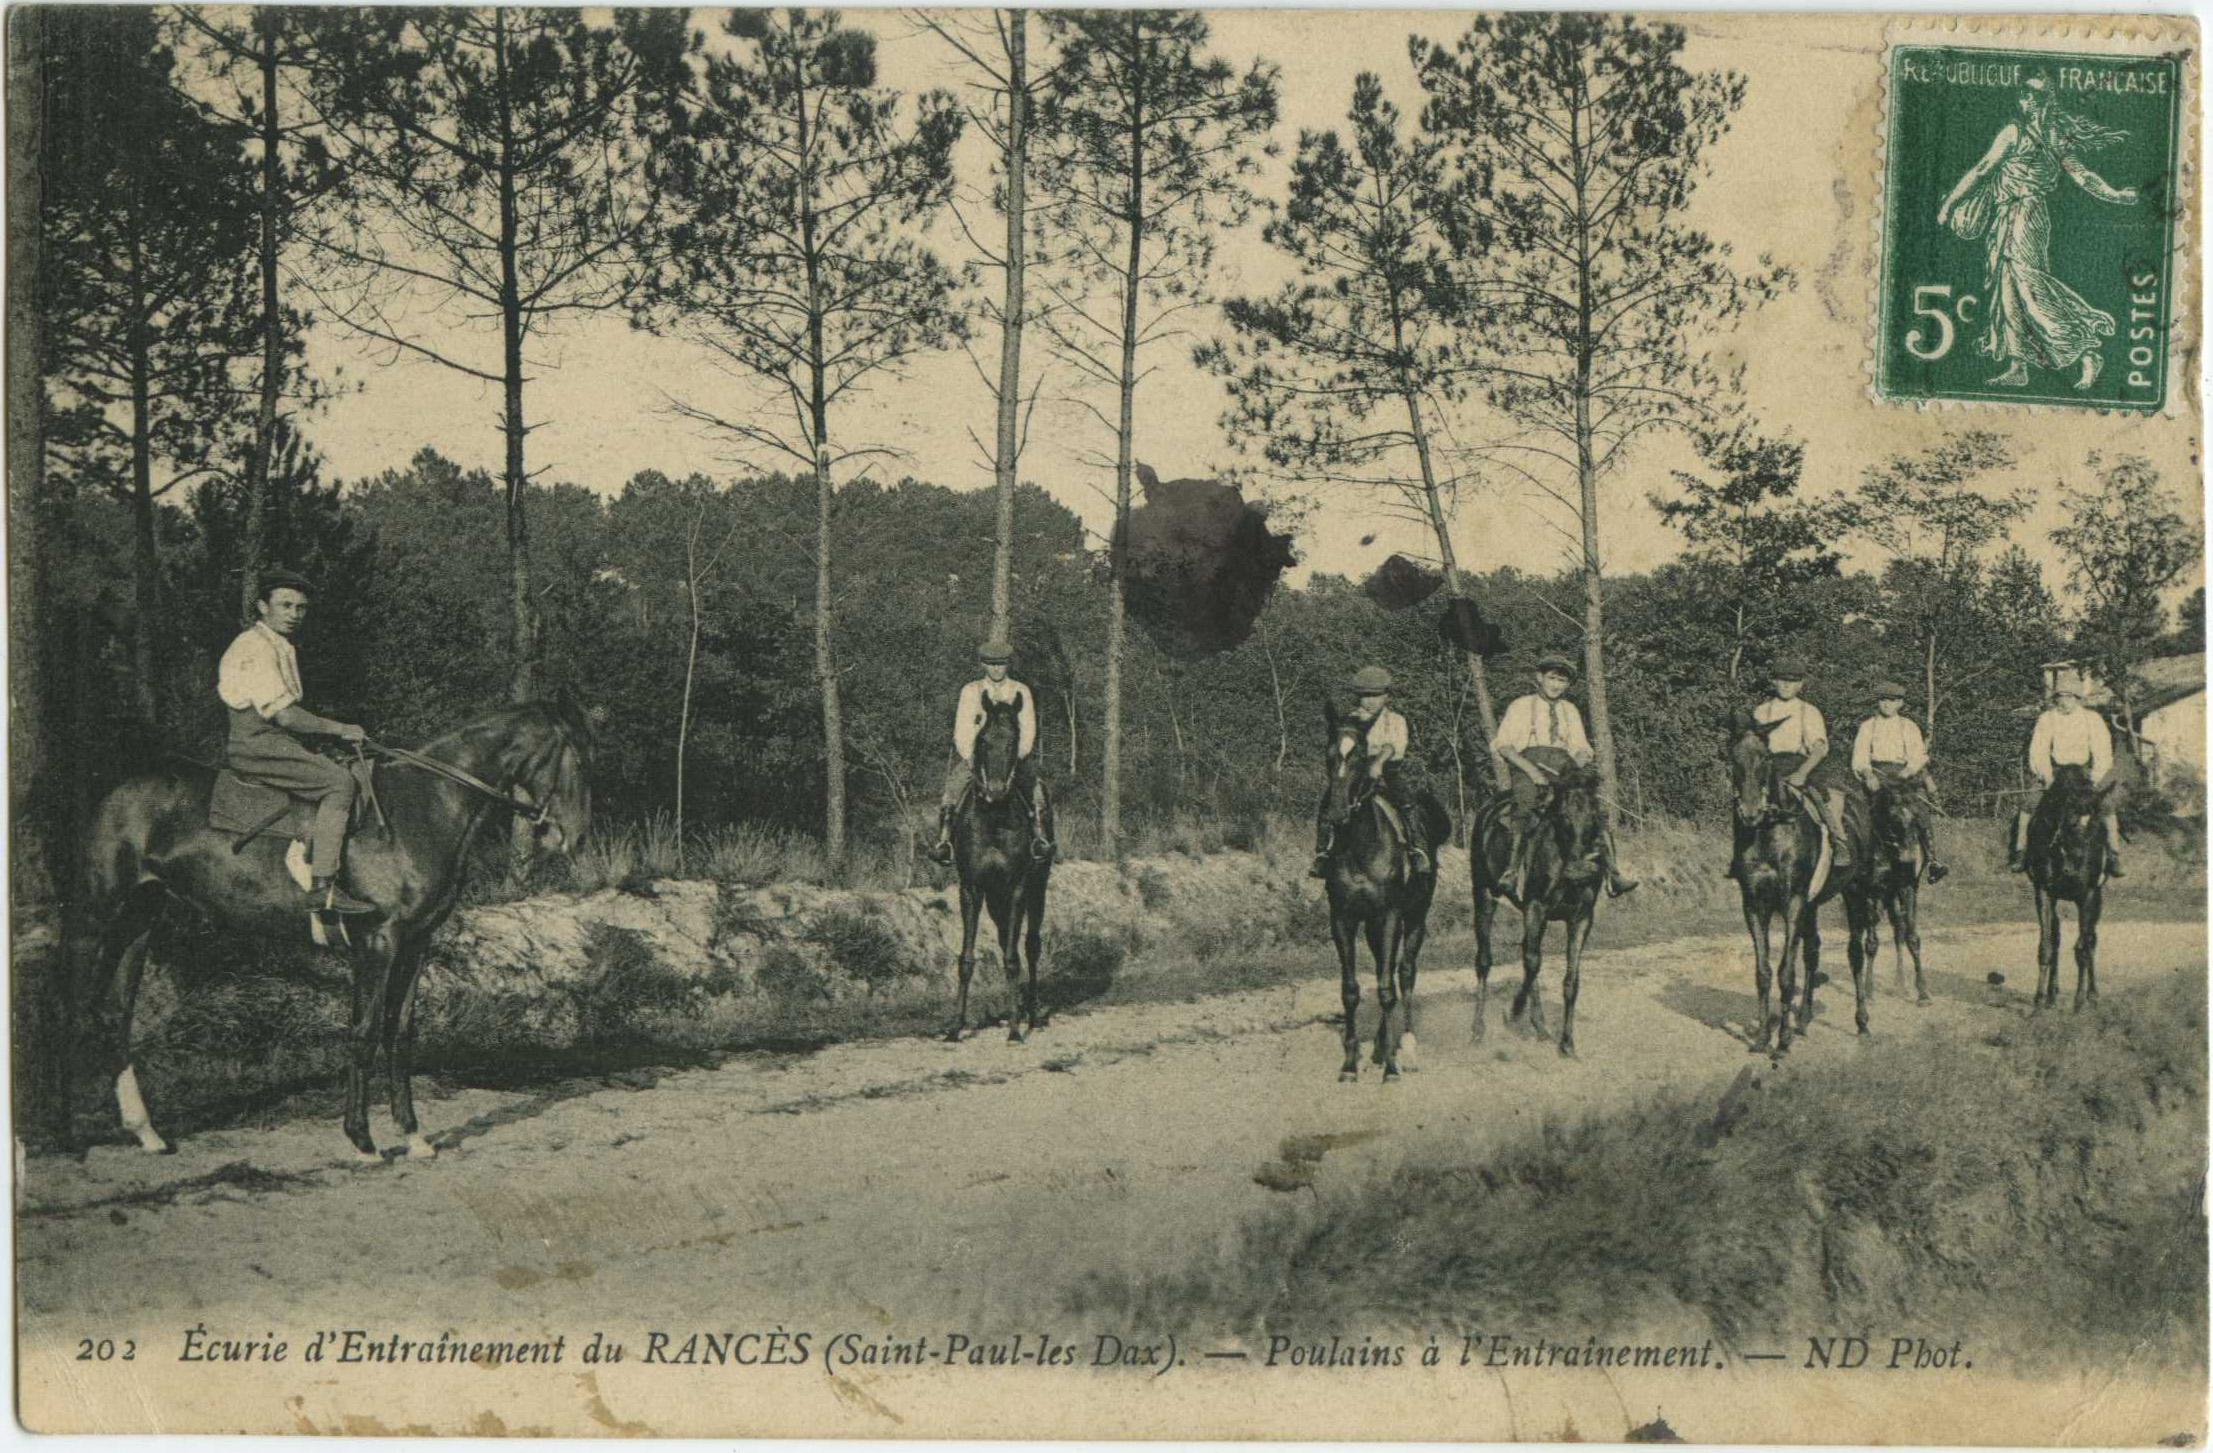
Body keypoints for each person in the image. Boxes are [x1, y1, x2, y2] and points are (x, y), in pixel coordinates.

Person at [1936, 74, 2139, 391]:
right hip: (2010, 215)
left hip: (2025, 215)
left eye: (2028, 94)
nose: (2024, 99)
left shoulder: (2017, 133)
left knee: (2030, 286)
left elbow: (1982, 170)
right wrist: (2115, 195)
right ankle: (2019, 366)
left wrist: (1950, 202)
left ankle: (2085, 350)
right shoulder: (2052, 135)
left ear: (2036, 100)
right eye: (2024, 94)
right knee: (2008, 289)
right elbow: (2083, 177)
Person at [216, 569, 375, 915]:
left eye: (300, 608)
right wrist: (339, 729)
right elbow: (286, 715)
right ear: (262, 606)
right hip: (256, 743)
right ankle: (323, 886)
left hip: (276, 739)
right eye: (285, 605)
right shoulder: (254, 646)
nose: (293, 614)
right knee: (339, 783)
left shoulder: (278, 644)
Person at [1490, 654, 1638, 898]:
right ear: (1539, 677)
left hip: (1564, 768)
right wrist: (1532, 771)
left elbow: (1581, 746)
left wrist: (1576, 765)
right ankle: (1512, 872)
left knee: (1593, 811)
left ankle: (1613, 873)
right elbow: (1505, 746)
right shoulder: (1520, 705)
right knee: (1525, 806)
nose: (1556, 685)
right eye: (1552, 678)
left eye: (1562, 681)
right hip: (1529, 764)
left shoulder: (1570, 710)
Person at [1310, 666, 1450, 879]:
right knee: (1330, 800)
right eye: (1365, 696)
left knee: (1407, 800)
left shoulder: (1395, 720)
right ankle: (1322, 853)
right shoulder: (1350, 720)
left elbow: (1396, 746)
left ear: (1386, 696)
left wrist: (1379, 762)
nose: (1370, 701)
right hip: (1356, 771)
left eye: (1376, 695)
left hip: (1387, 771)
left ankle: (1417, 849)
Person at [928, 638, 1053, 867]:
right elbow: (962, 729)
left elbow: (1028, 728)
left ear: (1007, 665)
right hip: (979, 757)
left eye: (1001, 663)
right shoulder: (971, 691)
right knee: (952, 788)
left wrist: (1018, 756)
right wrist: (970, 757)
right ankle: (945, 842)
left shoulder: (1020, 691)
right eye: (992, 663)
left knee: (1035, 790)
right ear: (984, 665)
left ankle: (1039, 838)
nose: (997, 669)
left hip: (1011, 757)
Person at [1736, 659, 1858, 874]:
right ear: (1774, 681)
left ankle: (1839, 841)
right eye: (1782, 680)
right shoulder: (1761, 711)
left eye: (1792, 682)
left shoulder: (1808, 711)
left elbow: (1819, 748)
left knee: (1822, 798)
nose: (1786, 686)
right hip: (1767, 767)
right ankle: (1742, 853)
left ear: (1800, 685)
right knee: (1746, 800)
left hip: (1797, 765)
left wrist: (1802, 773)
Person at [2011, 669, 2125, 877]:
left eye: (2069, 697)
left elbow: (2103, 752)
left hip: (2083, 774)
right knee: (2028, 804)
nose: (2064, 702)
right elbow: (2038, 750)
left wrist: (2095, 779)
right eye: (2060, 697)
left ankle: (2114, 855)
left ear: (2077, 698)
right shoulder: (2047, 718)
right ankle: (2020, 852)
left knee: (2106, 806)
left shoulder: (2092, 719)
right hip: (2056, 772)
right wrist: (2047, 776)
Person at [1851, 680, 1950, 883]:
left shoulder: (1908, 726)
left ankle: (1932, 860)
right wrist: (1867, 774)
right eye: (1883, 700)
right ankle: (1855, 859)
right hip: (1876, 774)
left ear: (1900, 703)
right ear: (1878, 702)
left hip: (1903, 775)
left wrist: (1907, 772)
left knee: (1919, 808)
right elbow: (1860, 756)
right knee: (1856, 811)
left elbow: (1918, 756)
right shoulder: (1867, 726)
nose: (1887, 704)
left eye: (1892, 700)